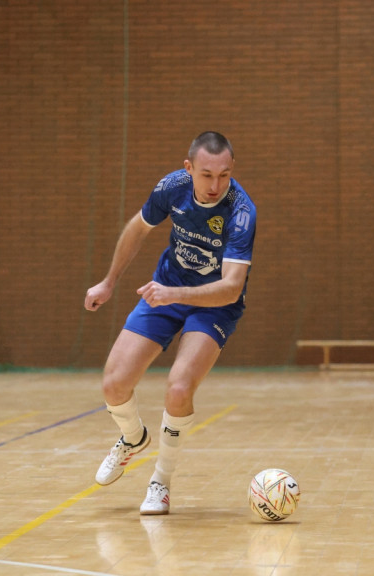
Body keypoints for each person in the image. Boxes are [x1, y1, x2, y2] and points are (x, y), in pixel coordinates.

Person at [84, 131, 256, 515]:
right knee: (114, 385)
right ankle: (132, 438)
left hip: (212, 305)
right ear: (188, 168)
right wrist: (109, 281)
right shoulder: (172, 187)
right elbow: (137, 228)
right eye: (207, 175)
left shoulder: (241, 212)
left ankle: (160, 481)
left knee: (178, 389)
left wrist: (173, 295)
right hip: (168, 288)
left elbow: (230, 288)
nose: (215, 185)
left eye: (224, 175)